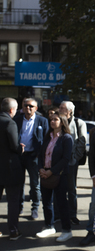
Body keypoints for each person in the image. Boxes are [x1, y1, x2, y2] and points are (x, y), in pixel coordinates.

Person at [36, 112, 73, 242]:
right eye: (51, 119)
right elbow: (41, 155)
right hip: (45, 174)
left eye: (55, 119)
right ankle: (49, 226)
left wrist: (51, 171)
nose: (52, 121)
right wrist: (41, 168)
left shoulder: (66, 138)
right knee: (46, 202)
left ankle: (66, 230)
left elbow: (66, 159)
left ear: (62, 122)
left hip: (60, 175)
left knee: (61, 203)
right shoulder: (48, 136)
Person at [14, 98, 49, 219]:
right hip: (20, 156)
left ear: (36, 108)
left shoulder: (42, 121)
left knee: (35, 184)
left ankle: (35, 207)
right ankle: (19, 207)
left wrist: (41, 154)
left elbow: (46, 139)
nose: (28, 108)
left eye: (31, 106)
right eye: (25, 106)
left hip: (34, 157)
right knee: (19, 183)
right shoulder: (17, 120)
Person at [58, 101, 86, 225]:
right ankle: (58, 214)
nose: (59, 109)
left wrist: (75, 158)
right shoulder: (57, 121)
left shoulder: (79, 123)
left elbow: (81, 142)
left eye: (62, 108)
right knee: (58, 189)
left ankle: (72, 214)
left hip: (71, 162)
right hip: (57, 162)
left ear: (69, 111)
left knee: (71, 189)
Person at [0, 98, 25, 240]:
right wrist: (20, 148)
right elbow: (14, 145)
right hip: (10, 168)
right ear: (11, 110)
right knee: (13, 201)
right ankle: (13, 231)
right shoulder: (10, 122)